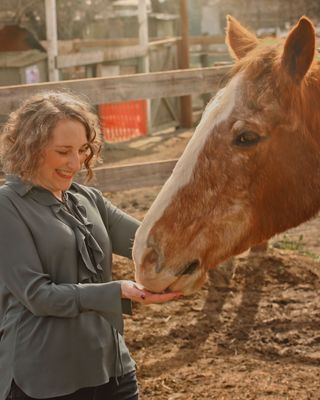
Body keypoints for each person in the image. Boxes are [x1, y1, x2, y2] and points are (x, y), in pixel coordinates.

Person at [0, 91, 181, 400]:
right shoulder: (7, 207)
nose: (76, 162)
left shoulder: (87, 198)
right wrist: (118, 290)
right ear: (30, 149)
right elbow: (38, 296)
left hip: (111, 364)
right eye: (62, 151)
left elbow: (151, 245)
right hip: (44, 374)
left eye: (83, 149)